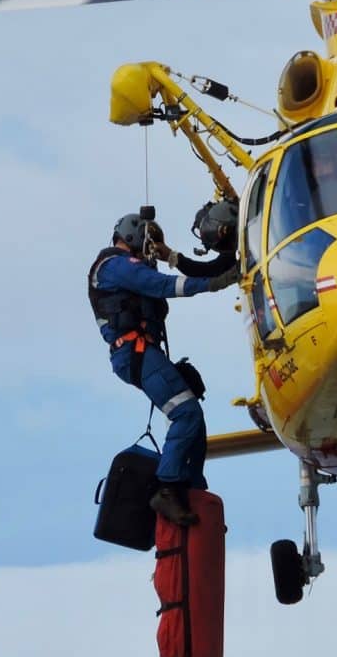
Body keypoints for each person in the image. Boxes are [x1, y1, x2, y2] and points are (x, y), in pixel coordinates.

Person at [88, 211, 239, 526]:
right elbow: (158, 284)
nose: (150, 253)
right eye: (147, 244)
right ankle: (168, 487)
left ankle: (193, 489)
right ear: (131, 235)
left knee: (194, 418)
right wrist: (211, 285)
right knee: (186, 414)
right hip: (136, 352)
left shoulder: (125, 269)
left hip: (143, 352)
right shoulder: (114, 265)